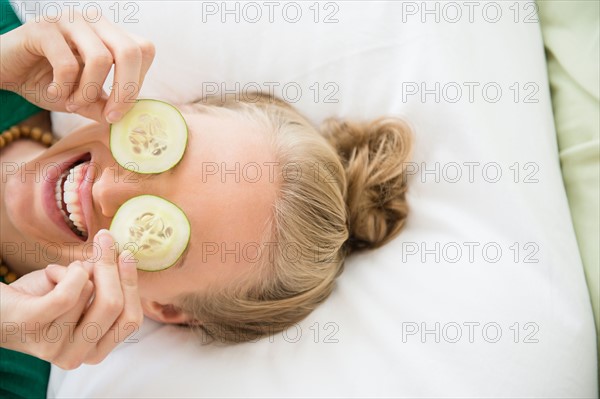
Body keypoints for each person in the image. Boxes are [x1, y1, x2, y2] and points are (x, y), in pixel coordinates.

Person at [1, 0, 412, 378]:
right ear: (176, 108)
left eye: (151, 231)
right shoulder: (15, 44)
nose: (107, 190)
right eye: (156, 147)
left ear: (165, 309)